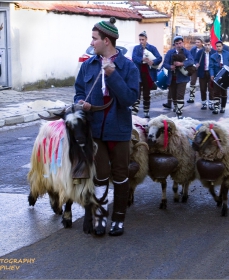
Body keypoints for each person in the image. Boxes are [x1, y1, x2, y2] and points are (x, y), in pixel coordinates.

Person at [74, 17, 139, 237]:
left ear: (107, 41)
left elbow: (129, 99)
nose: (92, 43)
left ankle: (118, 219)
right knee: (100, 175)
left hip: (118, 128)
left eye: (94, 39)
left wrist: (113, 75)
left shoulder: (128, 67)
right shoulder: (87, 65)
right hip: (95, 128)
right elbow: (79, 91)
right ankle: (100, 217)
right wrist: (80, 103)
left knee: (120, 174)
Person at [132, 31, 162, 118]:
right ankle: (135, 111)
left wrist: (153, 61)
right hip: (138, 73)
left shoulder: (152, 48)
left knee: (146, 93)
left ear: (146, 39)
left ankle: (146, 111)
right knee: (137, 92)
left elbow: (159, 58)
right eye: (140, 39)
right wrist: (142, 60)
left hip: (148, 73)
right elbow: (134, 58)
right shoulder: (136, 48)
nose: (141, 41)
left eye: (143, 39)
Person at [162, 35, 194, 119]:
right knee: (173, 95)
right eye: (177, 43)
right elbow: (164, 64)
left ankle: (179, 113)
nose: (179, 45)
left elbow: (191, 61)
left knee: (180, 95)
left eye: (180, 43)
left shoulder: (186, 52)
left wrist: (182, 64)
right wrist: (170, 67)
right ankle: (176, 108)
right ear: (174, 45)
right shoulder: (170, 52)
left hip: (182, 77)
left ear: (182, 43)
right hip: (172, 77)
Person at [209, 40, 229, 114]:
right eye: (217, 46)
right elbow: (211, 67)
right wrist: (212, 75)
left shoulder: (227, 54)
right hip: (216, 76)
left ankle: (223, 107)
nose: (218, 48)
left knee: (224, 92)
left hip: (225, 76)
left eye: (220, 46)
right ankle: (216, 108)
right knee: (216, 92)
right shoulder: (213, 56)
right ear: (215, 47)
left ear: (222, 46)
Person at [195, 38, 216, 110]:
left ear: (211, 45)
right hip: (202, 72)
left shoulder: (214, 52)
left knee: (211, 89)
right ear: (204, 45)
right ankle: (204, 103)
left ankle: (211, 103)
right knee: (203, 89)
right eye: (206, 45)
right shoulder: (201, 52)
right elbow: (195, 59)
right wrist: (196, 63)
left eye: (208, 45)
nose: (207, 46)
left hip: (211, 73)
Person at [187, 38, 204, 103]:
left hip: (202, 69)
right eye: (196, 42)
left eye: (198, 42)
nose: (197, 43)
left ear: (201, 43)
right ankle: (191, 97)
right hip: (194, 68)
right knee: (192, 82)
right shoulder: (193, 49)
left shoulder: (204, 49)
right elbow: (190, 57)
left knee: (202, 83)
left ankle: (203, 99)